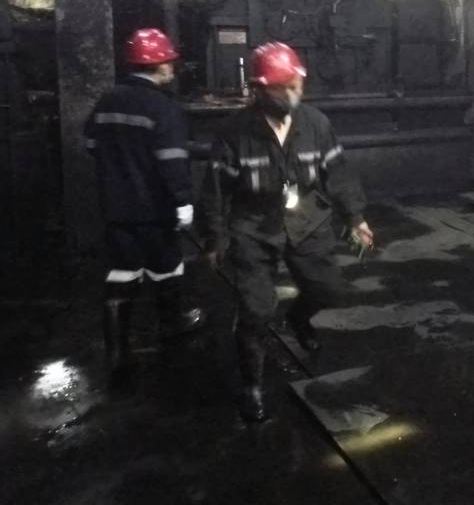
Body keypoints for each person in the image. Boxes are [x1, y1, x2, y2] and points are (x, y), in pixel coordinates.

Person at [201, 41, 374, 422]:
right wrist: (215, 238)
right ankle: (253, 385)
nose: (295, 92)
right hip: (253, 224)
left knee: (327, 288)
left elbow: (338, 173)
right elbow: (215, 191)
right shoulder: (233, 133)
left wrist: (355, 217)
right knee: (256, 310)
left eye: (297, 83)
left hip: (306, 217)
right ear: (261, 89)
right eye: (285, 87)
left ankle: (298, 319)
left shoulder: (316, 124)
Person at [85, 28, 207, 381]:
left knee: (121, 273)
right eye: (169, 62)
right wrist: (183, 201)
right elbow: (172, 160)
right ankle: (172, 323)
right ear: (158, 65)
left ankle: (117, 353)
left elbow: (90, 143)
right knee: (167, 267)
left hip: (116, 206)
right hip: (155, 208)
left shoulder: (108, 100)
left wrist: (120, 168)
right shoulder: (163, 107)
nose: (172, 67)